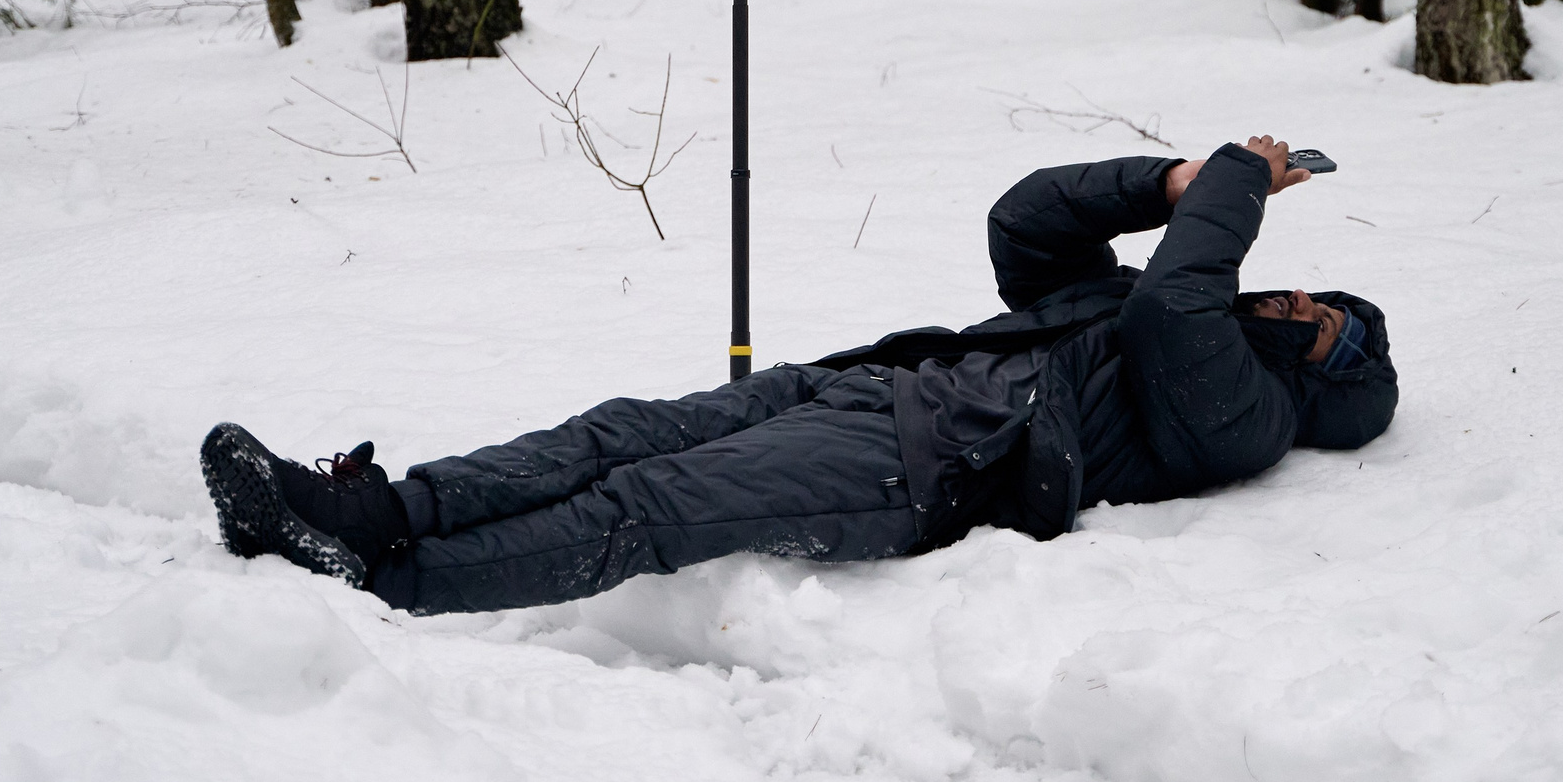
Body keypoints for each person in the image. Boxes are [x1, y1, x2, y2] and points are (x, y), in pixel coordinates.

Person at [201, 135, 1397, 616]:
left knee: (652, 507)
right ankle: (368, 509)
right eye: (1309, 292)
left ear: (1320, 376)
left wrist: (1238, 180)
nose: (1292, 300)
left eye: (1314, 322)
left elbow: (1174, 302)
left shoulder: (1245, 415)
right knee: (621, 432)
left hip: (931, 464)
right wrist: (1169, 180)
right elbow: (1026, 222)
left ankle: (382, 583)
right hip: (873, 385)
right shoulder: (1140, 305)